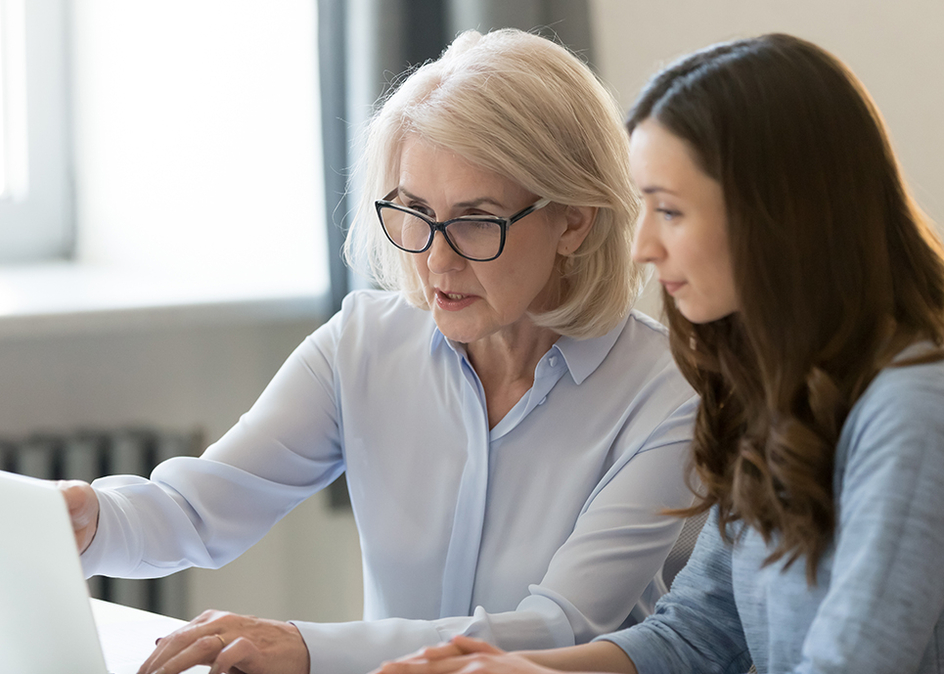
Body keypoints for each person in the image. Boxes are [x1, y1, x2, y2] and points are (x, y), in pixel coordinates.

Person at [58, 28, 699, 674]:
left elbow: (559, 626)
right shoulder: (363, 344)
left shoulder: (666, 395)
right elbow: (198, 509)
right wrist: (93, 520)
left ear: (573, 220)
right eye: (415, 211)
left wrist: (308, 648)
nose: (436, 260)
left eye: (475, 219)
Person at [374, 32, 944, 674]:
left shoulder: (912, 407)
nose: (642, 245)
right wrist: (528, 671)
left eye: (669, 211)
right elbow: (698, 635)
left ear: (778, 218)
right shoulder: (777, 389)